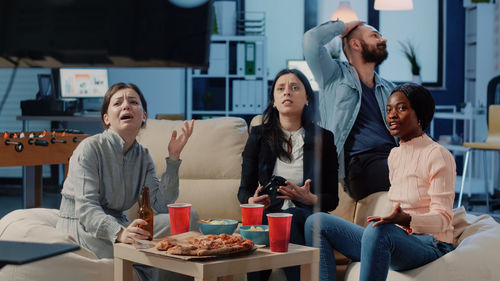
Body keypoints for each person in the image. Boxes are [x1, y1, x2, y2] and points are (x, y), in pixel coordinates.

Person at [305, 83, 456, 281]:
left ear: (420, 114)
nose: (392, 115)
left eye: (401, 108)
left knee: (380, 232)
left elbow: (443, 219)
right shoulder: (395, 155)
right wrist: (396, 223)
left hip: (431, 244)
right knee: (315, 222)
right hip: (395, 240)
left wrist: (407, 220)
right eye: (388, 110)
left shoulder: (438, 155)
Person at [56, 82, 198, 280]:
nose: (126, 106)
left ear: (144, 116)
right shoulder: (90, 148)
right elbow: (86, 209)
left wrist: (173, 158)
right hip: (84, 226)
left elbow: (161, 204)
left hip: (120, 223)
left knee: (190, 218)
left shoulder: (143, 156)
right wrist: (119, 233)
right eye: (117, 103)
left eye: (133, 102)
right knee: (145, 260)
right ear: (106, 119)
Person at [238, 69, 339, 281]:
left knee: (288, 222)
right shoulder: (258, 136)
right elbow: (244, 190)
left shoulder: (324, 139)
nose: (287, 93)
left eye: (295, 88)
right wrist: (252, 201)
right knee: (264, 228)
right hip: (267, 214)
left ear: (308, 99)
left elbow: (332, 199)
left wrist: (310, 199)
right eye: (281, 89)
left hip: (307, 216)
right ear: (274, 101)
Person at [303, 20, 397, 201]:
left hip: (393, 157)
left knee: (433, 160)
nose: (383, 39)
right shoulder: (333, 75)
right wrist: (343, 27)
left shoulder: (389, 88)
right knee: (407, 171)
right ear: (356, 44)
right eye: (375, 35)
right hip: (359, 164)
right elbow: (311, 41)